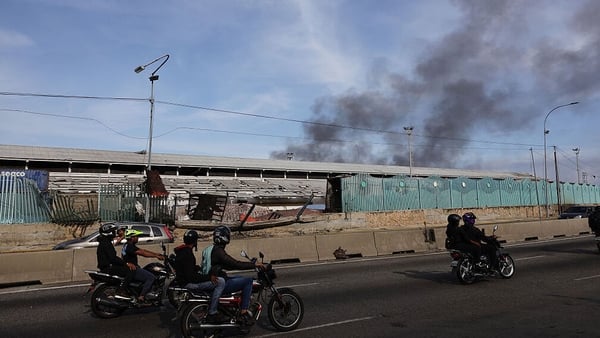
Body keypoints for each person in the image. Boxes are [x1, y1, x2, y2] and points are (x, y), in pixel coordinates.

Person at [201, 225, 265, 326]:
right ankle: (244, 311)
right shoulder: (219, 252)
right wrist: (253, 265)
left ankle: (235, 306)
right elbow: (235, 264)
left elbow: (228, 265)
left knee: (240, 278)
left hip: (215, 278)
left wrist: (249, 265)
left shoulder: (212, 249)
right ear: (225, 237)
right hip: (219, 281)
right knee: (248, 281)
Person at [173, 230, 227, 323]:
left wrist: (196, 268)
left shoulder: (181, 252)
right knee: (220, 281)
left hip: (182, 281)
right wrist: (209, 277)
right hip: (188, 284)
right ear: (195, 241)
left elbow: (187, 269)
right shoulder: (188, 254)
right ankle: (213, 312)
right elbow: (191, 277)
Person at [121, 229, 164, 303]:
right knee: (151, 277)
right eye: (136, 236)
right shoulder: (130, 247)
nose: (137, 238)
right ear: (131, 237)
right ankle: (142, 296)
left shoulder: (127, 245)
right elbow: (143, 253)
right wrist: (156, 256)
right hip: (133, 269)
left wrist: (156, 254)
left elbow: (143, 250)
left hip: (130, 268)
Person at [96, 222, 133, 287]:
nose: (115, 233)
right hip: (108, 268)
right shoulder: (106, 243)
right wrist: (126, 263)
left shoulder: (104, 242)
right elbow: (113, 258)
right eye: (113, 231)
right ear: (109, 232)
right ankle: (123, 290)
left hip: (106, 267)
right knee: (131, 271)